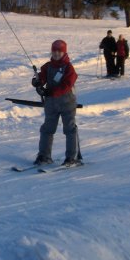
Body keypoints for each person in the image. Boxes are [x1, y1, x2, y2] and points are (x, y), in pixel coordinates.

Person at [31, 39, 82, 167]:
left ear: (64, 52)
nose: (56, 53)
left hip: (67, 103)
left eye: (59, 51)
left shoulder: (69, 68)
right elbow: (42, 76)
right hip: (51, 104)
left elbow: (66, 85)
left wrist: (50, 92)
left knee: (69, 129)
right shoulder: (48, 66)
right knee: (47, 129)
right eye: (54, 51)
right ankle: (44, 156)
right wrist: (37, 82)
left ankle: (71, 157)